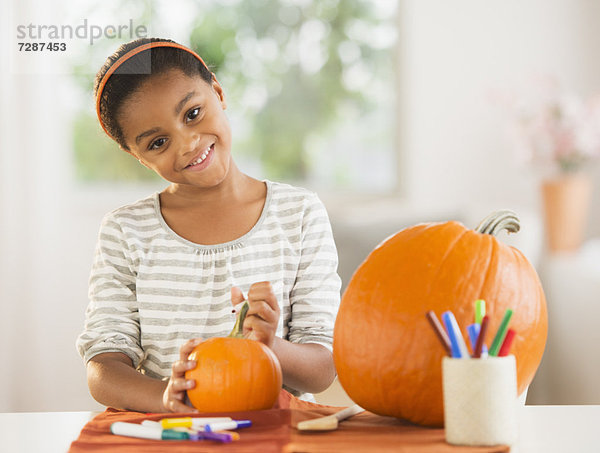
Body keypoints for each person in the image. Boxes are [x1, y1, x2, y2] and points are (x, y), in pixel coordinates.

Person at [76, 37, 341, 413]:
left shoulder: (299, 214)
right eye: (158, 142)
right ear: (136, 155)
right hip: (171, 433)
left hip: (277, 434)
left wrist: (271, 346)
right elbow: (103, 366)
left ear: (217, 91)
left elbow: (323, 370)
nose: (187, 144)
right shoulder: (125, 231)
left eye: (192, 114)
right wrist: (165, 396)